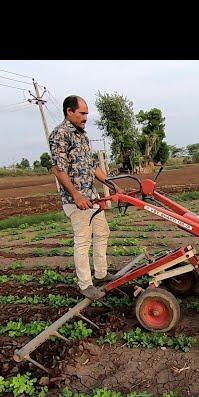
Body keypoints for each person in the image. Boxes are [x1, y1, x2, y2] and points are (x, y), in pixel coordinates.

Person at [49, 95, 119, 300]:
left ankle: (101, 273)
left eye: (87, 113)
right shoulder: (60, 134)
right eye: (82, 113)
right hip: (76, 200)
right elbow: (58, 169)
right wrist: (76, 195)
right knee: (82, 240)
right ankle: (85, 284)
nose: (86, 117)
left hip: (92, 197)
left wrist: (112, 185)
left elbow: (92, 166)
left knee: (102, 232)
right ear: (69, 112)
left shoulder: (82, 135)